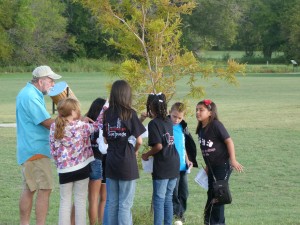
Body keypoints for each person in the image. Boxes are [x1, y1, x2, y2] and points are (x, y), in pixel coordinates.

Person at [50, 97, 106, 225]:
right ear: (73, 111)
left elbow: (52, 149)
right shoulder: (82, 126)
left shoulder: (54, 126)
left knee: (65, 202)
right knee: (80, 201)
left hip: (64, 170)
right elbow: (97, 126)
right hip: (82, 168)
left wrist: (59, 164)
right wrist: (104, 108)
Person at [16, 65, 61, 225]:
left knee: (30, 188)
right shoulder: (30, 96)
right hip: (36, 150)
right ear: (41, 81)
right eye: (51, 81)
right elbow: (47, 122)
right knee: (45, 188)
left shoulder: (28, 93)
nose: (53, 84)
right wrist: (71, 119)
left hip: (29, 149)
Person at [102, 80, 146, 225]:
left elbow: (106, 139)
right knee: (125, 205)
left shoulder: (107, 114)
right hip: (126, 161)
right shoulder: (130, 113)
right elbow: (139, 140)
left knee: (113, 203)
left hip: (111, 161)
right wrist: (134, 151)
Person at [195, 99, 244, 225]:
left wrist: (232, 159)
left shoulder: (216, 125)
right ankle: (211, 221)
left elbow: (229, 141)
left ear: (210, 113)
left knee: (219, 195)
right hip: (212, 168)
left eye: (201, 110)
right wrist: (207, 166)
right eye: (197, 110)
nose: (198, 112)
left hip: (222, 165)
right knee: (212, 194)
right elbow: (208, 149)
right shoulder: (201, 128)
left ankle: (214, 222)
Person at [142, 93, 180, 225]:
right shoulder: (168, 120)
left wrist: (147, 154)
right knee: (168, 198)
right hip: (174, 162)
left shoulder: (153, 124)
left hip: (163, 164)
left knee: (159, 198)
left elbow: (158, 146)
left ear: (152, 108)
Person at [169, 102, 197, 223]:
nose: (176, 120)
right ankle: (177, 217)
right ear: (170, 113)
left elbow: (183, 145)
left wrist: (188, 160)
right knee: (173, 193)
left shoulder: (182, 127)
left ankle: (180, 214)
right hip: (172, 166)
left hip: (183, 166)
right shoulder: (166, 126)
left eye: (180, 117)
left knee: (184, 193)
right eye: (174, 116)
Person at [86, 98, 108, 225]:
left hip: (86, 161)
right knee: (101, 199)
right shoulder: (104, 125)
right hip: (100, 161)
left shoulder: (85, 123)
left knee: (90, 199)